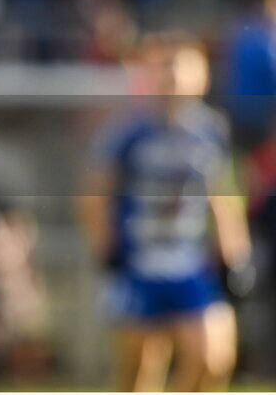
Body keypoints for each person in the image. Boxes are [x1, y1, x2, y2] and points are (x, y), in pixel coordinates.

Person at [78, 33, 254, 391]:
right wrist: (107, 252)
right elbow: (94, 193)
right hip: (142, 262)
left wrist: (236, 249)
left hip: (190, 260)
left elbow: (222, 194)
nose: (173, 76)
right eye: (165, 66)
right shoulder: (129, 132)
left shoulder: (210, 130)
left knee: (213, 359)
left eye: (183, 65)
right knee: (141, 370)